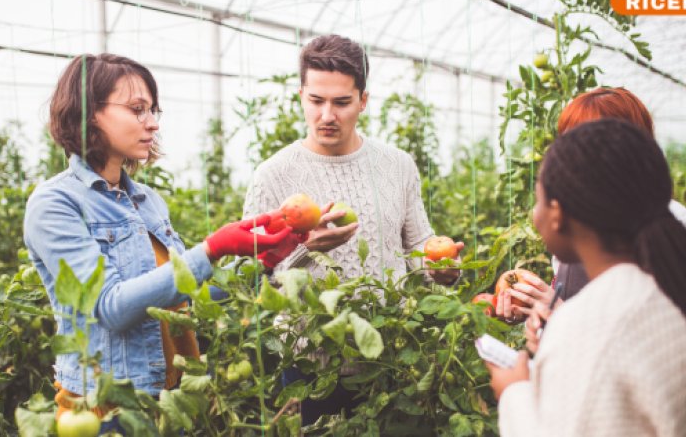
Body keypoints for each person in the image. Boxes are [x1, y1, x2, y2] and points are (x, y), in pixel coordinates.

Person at [23, 53, 302, 429]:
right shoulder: (55, 204)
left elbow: (185, 296)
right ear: (90, 113)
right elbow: (111, 308)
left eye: (154, 110)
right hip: (108, 408)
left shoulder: (147, 200)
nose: (152, 124)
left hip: (173, 398)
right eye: (137, 109)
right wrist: (211, 248)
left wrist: (264, 261)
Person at [485, 119, 686, 436]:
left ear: (558, 214)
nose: (533, 214)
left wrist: (513, 392)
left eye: (538, 199)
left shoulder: (588, 324)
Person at [242, 34, 462, 425]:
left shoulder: (396, 165)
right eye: (317, 101)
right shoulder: (273, 176)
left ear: (363, 100)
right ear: (301, 96)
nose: (328, 115)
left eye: (342, 102)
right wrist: (308, 248)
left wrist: (440, 267)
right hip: (309, 366)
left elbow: (418, 243)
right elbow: (253, 277)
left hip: (389, 357)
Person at [494, 87, 686, 339]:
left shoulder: (677, 223)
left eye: (589, 142)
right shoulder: (574, 225)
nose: (571, 156)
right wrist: (535, 315)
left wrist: (564, 317)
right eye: (567, 141)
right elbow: (566, 304)